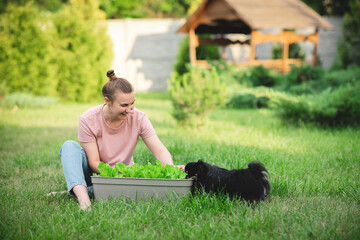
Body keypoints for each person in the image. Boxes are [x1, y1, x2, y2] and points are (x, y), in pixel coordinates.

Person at [57, 69, 184, 210]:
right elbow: (94, 162)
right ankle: (84, 198)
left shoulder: (139, 118)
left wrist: (170, 167)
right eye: (124, 105)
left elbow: (159, 150)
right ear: (107, 101)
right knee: (69, 146)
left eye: (132, 103)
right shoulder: (88, 119)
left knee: (121, 188)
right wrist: (115, 174)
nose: (130, 110)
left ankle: (80, 189)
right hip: (95, 174)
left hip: (124, 178)